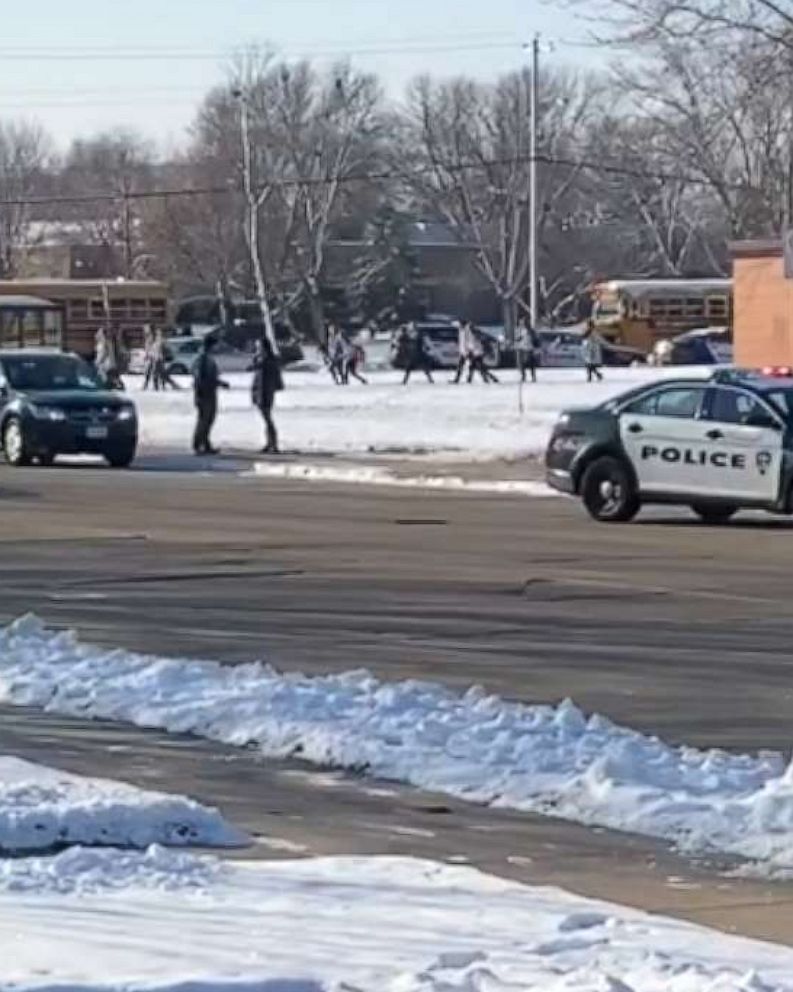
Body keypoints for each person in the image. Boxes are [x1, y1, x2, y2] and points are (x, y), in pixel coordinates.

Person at [192, 334, 229, 455]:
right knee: (204, 420)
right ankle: (197, 445)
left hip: (209, 393)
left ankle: (205, 443)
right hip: (204, 394)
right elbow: (201, 377)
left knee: (208, 420)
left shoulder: (207, 357)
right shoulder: (203, 358)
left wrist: (219, 383)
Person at [251, 337, 283, 454]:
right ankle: (269, 443)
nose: (257, 350)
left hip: (266, 393)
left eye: (259, 347)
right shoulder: (262, 360)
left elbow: (267, 376)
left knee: (268, 419)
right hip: (260, 393)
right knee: (266, 419)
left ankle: (273, 443)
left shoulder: (268, 361)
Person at [515, 318, 539, 384]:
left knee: (531, 363)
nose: (522, 324)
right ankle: (523, 376)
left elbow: (535, 340)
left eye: (524, 323)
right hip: (521, 348)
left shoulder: (531, 331)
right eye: (521, 323)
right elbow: (516, 338)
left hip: (529, 348)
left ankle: (533, 376)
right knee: (520, 364)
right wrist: (519, 338)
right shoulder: (519, 330)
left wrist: (536, 347)